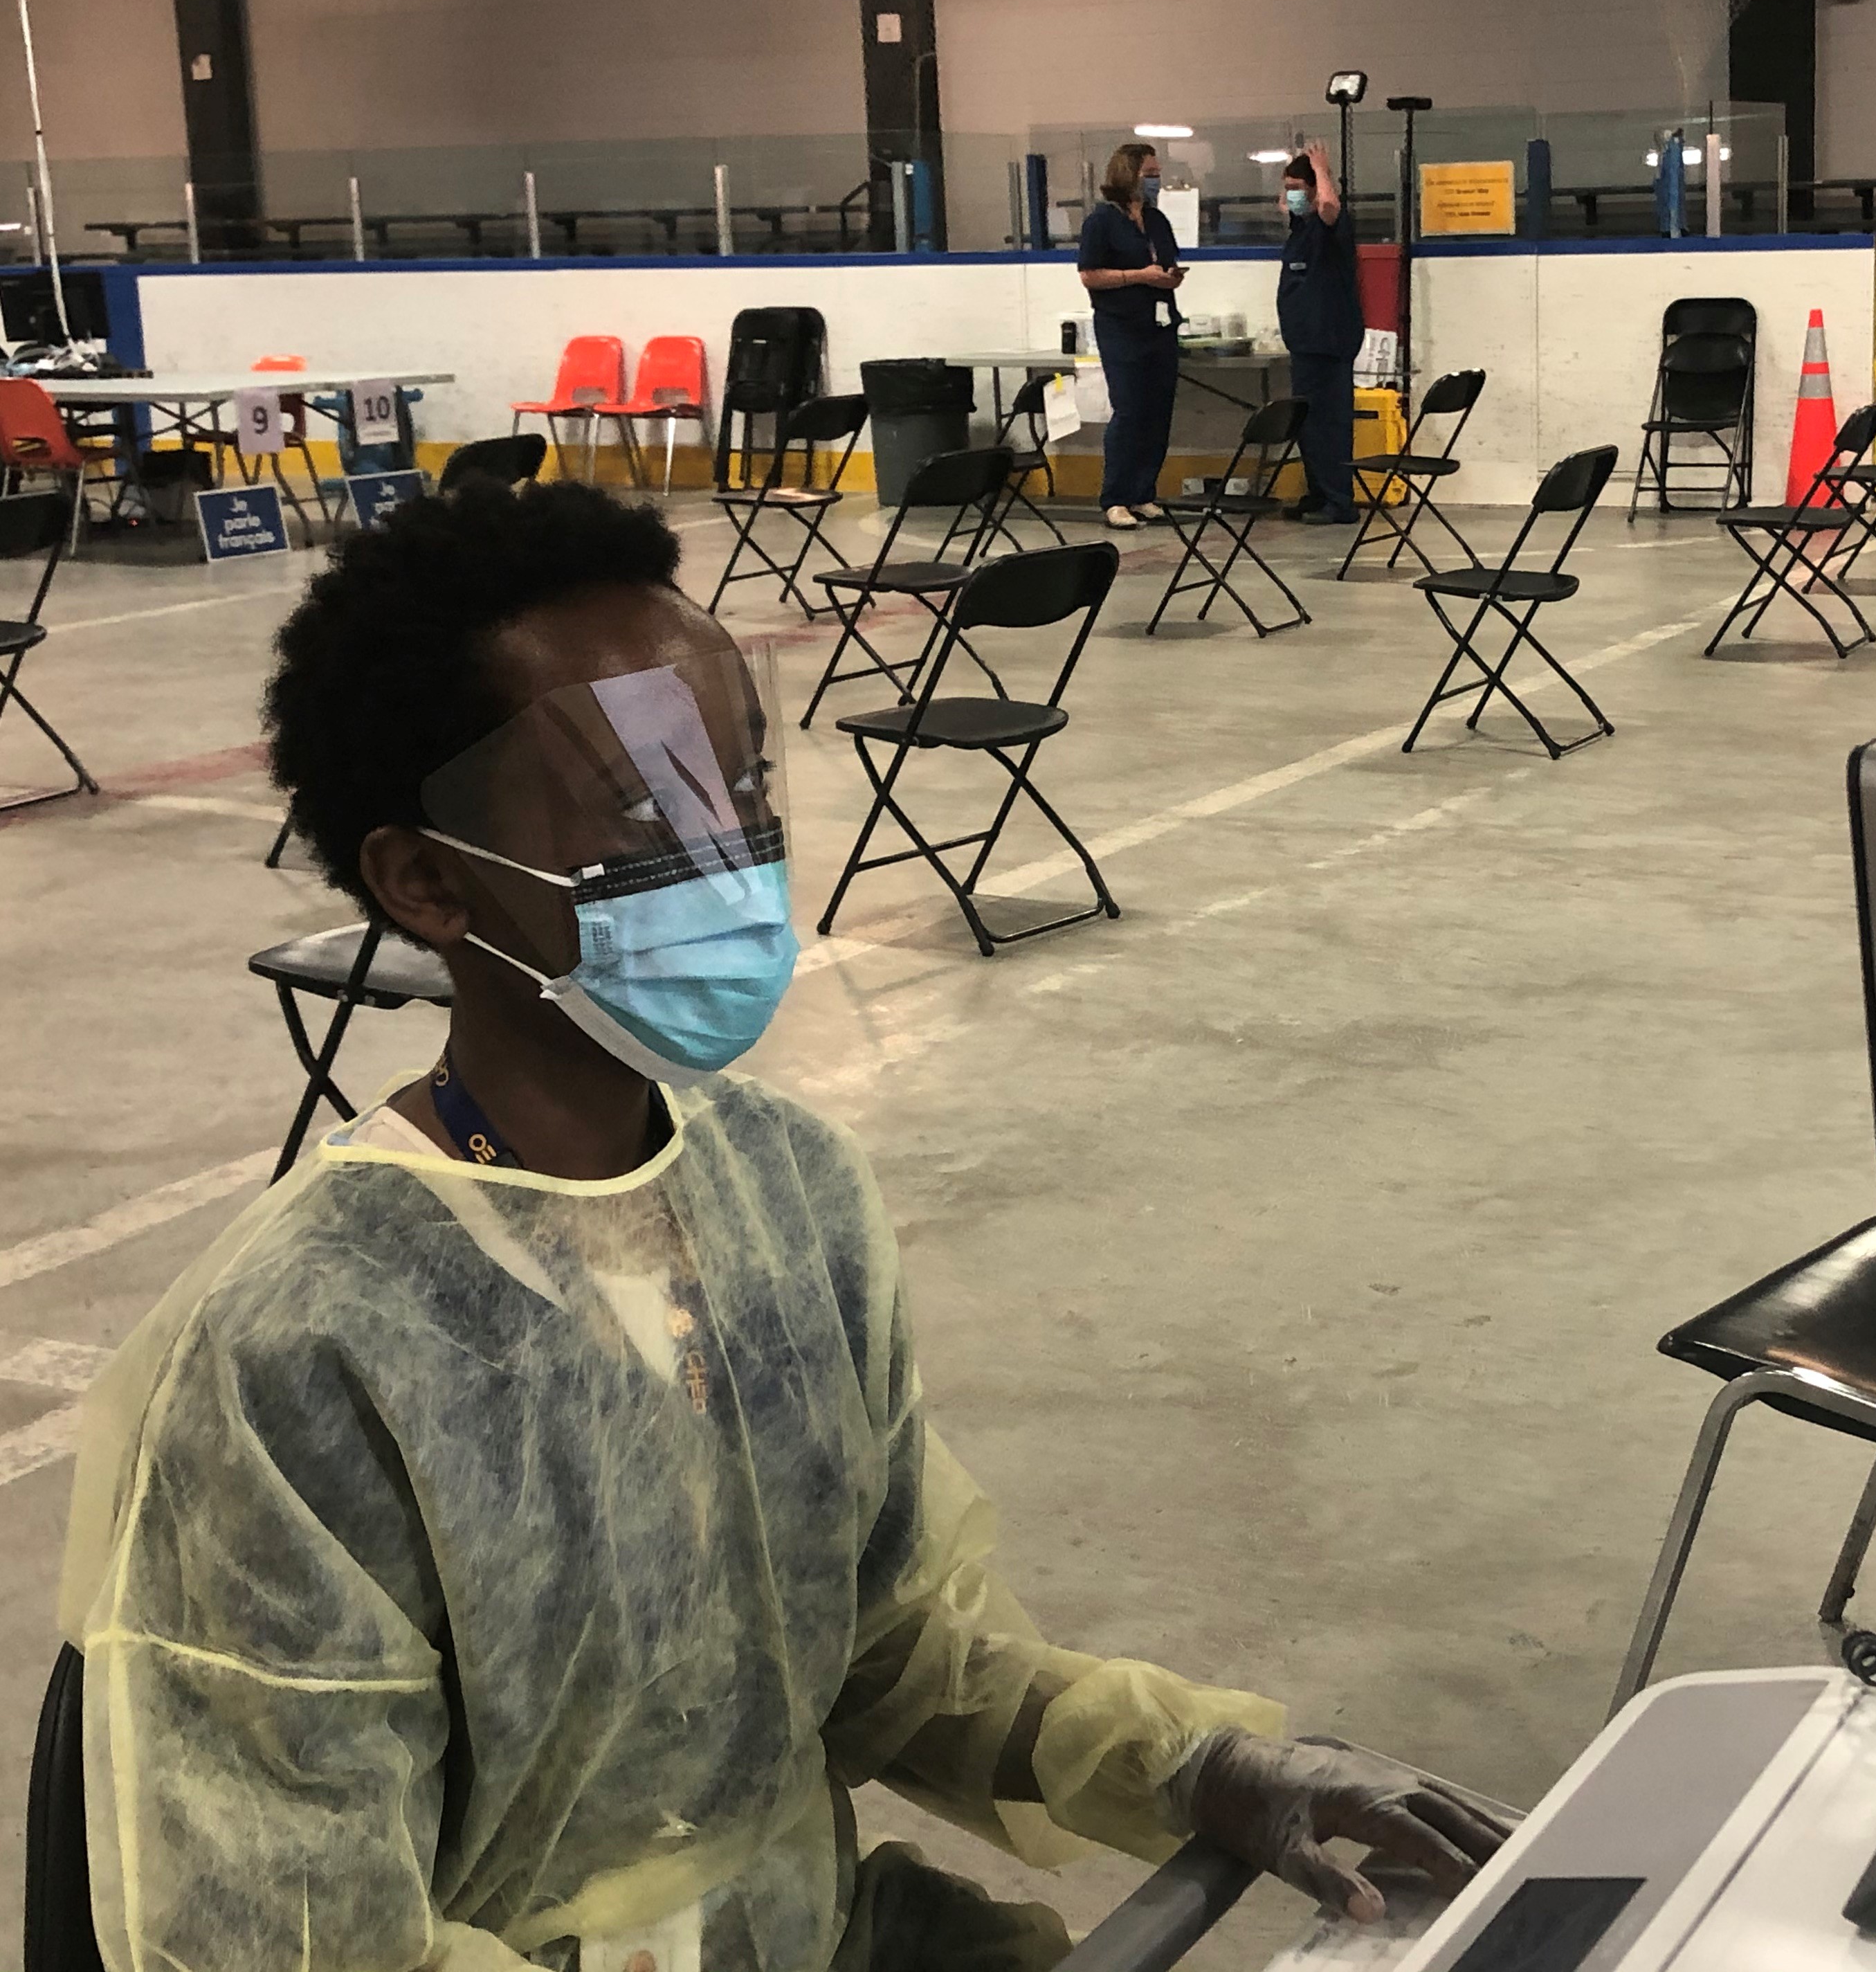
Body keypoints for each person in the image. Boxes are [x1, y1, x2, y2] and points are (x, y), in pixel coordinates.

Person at [55, 482, 1504, 1972]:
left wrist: (1197, 1765)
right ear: (426, 882)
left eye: (742, 791)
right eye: (645, 815)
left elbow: (883, 1652)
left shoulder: (784, 1191)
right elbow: (291, 1939)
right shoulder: (298, 1353)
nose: (730, 856)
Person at [1077, 141, 1185, 531]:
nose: (1156, 180)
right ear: (1129, 174)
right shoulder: (1101, 222)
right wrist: (1139, 276)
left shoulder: (1157, 220)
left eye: (1158, 174)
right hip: (1121, 328)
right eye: (1150, 174)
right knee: (1130, 409)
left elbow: (1168, 262)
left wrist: (1170, 278)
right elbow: (1090, 274)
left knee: (1159, 412)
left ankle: (1144, 492)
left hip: (1159, 325)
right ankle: (1116, 497)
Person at [1275, 143, 1362, 525]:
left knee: (1330, 425)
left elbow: (1329, 207)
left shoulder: (1332, 226)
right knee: (1309, 425)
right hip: (1304, 342)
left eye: (1297, 186)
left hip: (1328, 341)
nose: (1290, 194)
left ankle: (1339, 501)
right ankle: (1318, 492)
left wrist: (1322, 170)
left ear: (1314, 188)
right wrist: (1292, 175)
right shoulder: (1302, 226)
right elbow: (1290, 206)